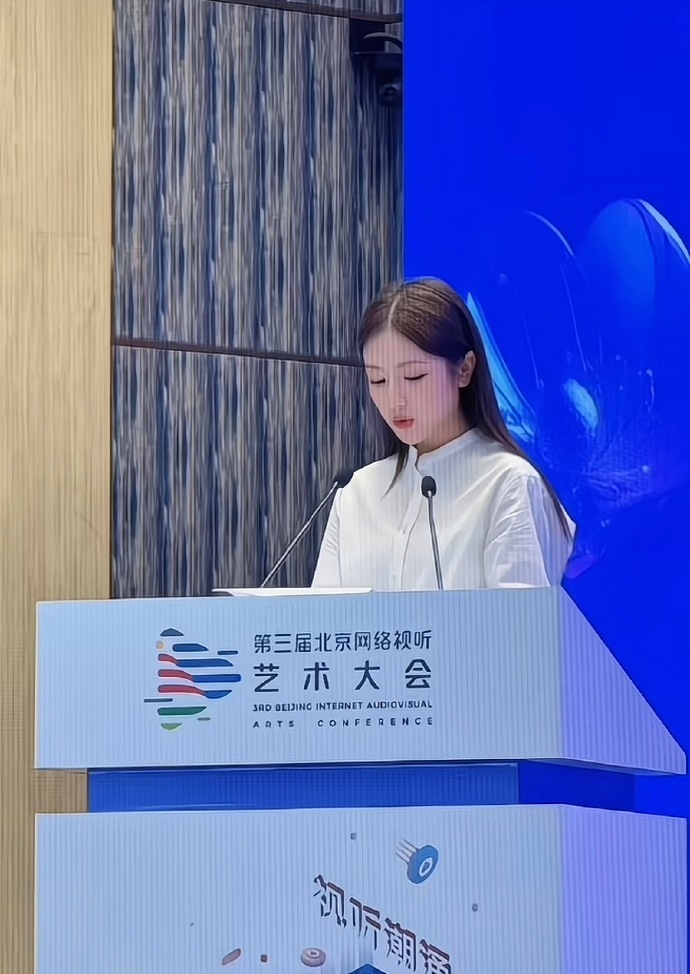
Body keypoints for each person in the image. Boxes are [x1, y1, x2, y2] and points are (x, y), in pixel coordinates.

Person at [312, 278, 575, 591]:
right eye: (378, 380)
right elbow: (323, 618)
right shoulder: (356, 492)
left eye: (414, 376)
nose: (395, 400)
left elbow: (521, 620)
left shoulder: (509, 484)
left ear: (464, 370)